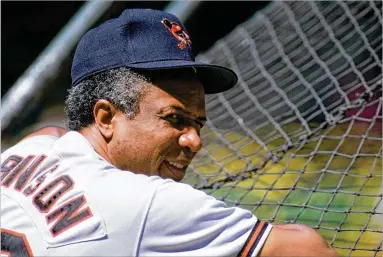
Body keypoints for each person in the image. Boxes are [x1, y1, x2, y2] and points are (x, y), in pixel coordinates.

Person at [1, 8, 338, 257]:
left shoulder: (25, 153)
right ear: (106, 117)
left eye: (197, 124)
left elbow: (49, 134)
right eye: (175, 119)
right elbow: (307, 248)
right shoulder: (149, 203)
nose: (195, 141)